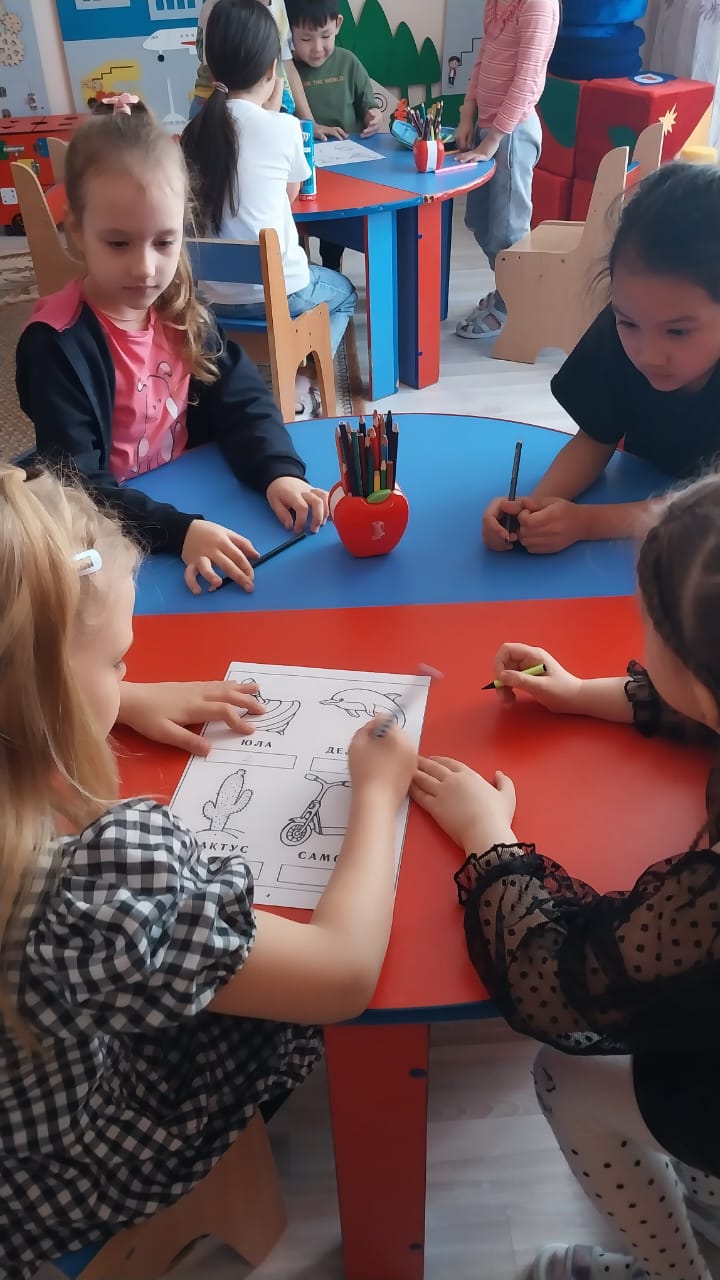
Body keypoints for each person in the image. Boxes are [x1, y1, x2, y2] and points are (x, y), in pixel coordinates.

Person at [0, 462, 417, 1280]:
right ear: (42, 693)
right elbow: (342, 973)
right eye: (119, 662)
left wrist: (119, 697)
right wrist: (377, 792)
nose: (127, 677)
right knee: (276, 1003)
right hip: (66, 1173)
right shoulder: (90, 893)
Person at [412, 471, 720, 1280]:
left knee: (568, 1079)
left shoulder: (707, 903)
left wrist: (487, 836)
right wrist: (585, 694)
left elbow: (552, 987)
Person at [16, 102, 328, 597]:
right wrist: (179, 532)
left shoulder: (181, 310)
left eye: (163, 242)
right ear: (77, 232)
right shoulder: (55, 345)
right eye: (119, 244)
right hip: (108, 535)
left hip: (186, 494)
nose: (145, 268)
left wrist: (276, 472)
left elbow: (242, 401)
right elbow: (76, 485)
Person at [483, 164, 720, 554]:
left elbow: (709, 507)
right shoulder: (625, 324)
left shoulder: (643, 324)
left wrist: (586, 523)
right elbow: (596, 436)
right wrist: (532, 509)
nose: (648, 354)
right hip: (643, 502)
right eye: (628, 323)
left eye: (678, 331)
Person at [182, 0, 357, 369]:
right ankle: (303, 375)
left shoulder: (192, 132)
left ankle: (238, 366)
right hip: (281, 292)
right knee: (345, 295)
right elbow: (290, 196)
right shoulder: (284, 127)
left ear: (211, 66)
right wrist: (274, 115)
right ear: (271, 69)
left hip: (212, 300)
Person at [454, 0, 559, 339]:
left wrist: (494, 140)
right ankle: (509, 290)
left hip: (511, 134)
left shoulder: (538, 6)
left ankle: (512, 305)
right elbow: (484, 57)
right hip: (488, 129)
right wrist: (467, 113)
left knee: (508, 233)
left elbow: (528, 81)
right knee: (479, 221)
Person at [285, 0, 383, 272]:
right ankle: (303, 270)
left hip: (345, 169)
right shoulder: (285, 71)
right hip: (303, 172)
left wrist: (374, 116)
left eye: (325, 36)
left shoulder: (347, 62)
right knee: (297, 228)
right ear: (288, 33)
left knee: (335, 229)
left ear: (338, 24)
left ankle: (331, 268)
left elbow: (368, 105)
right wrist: (310, 128)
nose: (317, 48)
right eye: (306, 39)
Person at [190, 0, 336, 137]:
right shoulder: (218, 7)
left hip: (272, 109)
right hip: (221, 112)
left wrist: (310, 123)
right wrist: (259, 114)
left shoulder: (278, 4)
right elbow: (215, 69)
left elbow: (286, 64)